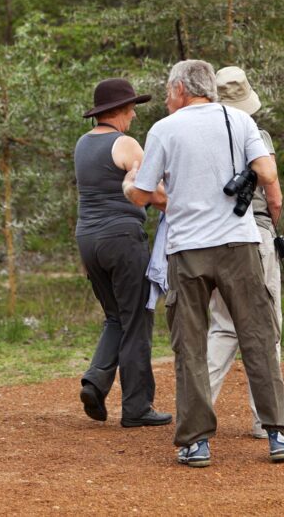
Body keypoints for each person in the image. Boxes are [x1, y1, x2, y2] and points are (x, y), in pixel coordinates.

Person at [123, 59, 284, 468]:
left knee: (189, 345)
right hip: (239, 245)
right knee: (257, 336)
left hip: (186, 249)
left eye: (169, 90)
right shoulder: (240, 122)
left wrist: (129, 181)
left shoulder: (163, 130)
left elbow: (141, 195)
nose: (168, 97)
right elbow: (267, 171)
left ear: (181, 90)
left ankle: (196, 442)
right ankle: (279, 433)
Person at [75, 78, 172, 428]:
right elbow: (153, 192)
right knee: (136, 319)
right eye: (130, 108)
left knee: (116, 316)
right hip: (122, 239)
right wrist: (182, 210)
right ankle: (137, 406)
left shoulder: (83, 144)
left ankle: (96, 381)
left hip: (88, 238)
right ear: (117, 111)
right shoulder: (125, 143)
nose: (133, 114)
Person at [205, 66, 284, 440]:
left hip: (213, 240)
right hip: (254, 235)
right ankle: (266, 418)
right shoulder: (256, 134)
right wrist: (271, 225)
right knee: (266, 328)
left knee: (222, 326)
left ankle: (197, 411)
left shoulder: (199, 138)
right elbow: (274, 195)